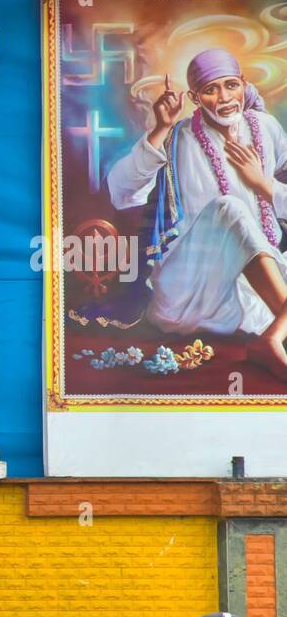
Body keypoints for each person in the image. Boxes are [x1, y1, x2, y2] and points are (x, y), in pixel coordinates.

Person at [106, 48, 287, 380]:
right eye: (210, 89)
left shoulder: (266, 128)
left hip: (255, 296)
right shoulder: (178, 137)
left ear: (244, 85)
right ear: (194, 97)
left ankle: (274, 336)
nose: (224, 98)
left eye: (231, 85)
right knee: (230, 207)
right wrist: (161, 128)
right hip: (191, 288)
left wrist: (264, 185)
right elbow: (121, 192)